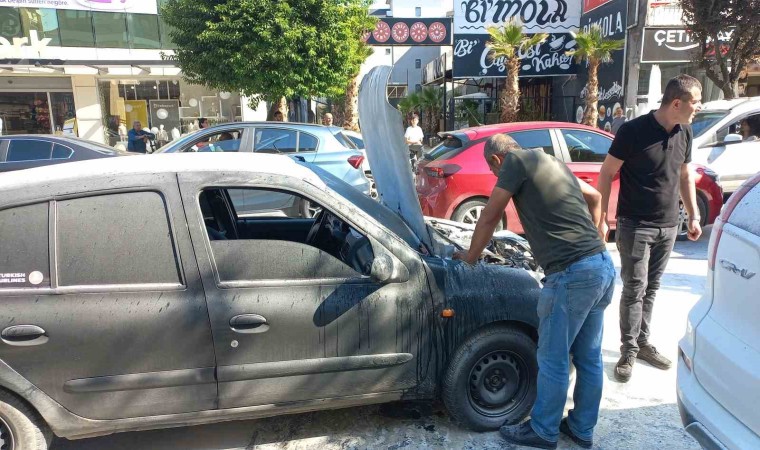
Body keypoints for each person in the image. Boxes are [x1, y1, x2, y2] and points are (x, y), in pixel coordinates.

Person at [455, 134, 615, 450]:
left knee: (553, 358)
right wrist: (596, 235)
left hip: (571, 274)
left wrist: (470, 257)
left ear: (496, 160)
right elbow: (595, 196)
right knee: (588, 358)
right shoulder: (552, 162)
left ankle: (543, 431)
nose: (496, 176)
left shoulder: (513, 161)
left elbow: (489, 215)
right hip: (601, 266)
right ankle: (582, 429)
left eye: (492, 171)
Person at [597, 74, 702, 383]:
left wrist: (693, 216)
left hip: (669, 224)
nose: (698, 107)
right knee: (634, 288)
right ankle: (628, 351)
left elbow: (684, 176)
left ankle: (643, 343)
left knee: (652, 288)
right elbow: (606, 173)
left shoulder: (686, 132)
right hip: (635, 224)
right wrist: (602, 218)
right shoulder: (632, 131)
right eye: (695, 102)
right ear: (677, 103)